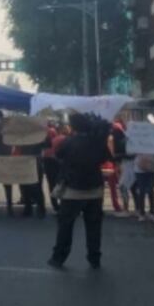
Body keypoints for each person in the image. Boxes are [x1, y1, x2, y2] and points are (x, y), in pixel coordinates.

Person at [49, 113, 113, 270]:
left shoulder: (68, 142)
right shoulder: (98, 142)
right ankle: (94, 258)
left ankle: (58, 258)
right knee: (94, 227)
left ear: (73, 127)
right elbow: (106, 158)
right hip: (95, 190)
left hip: (72, 191)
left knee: (65, 226)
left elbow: (58, 156)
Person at [133, 152, 154, 222]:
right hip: (139, 169)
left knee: (151, 190)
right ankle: (142, 213)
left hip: (153, 168)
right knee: (141, 191)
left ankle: (152, 213)